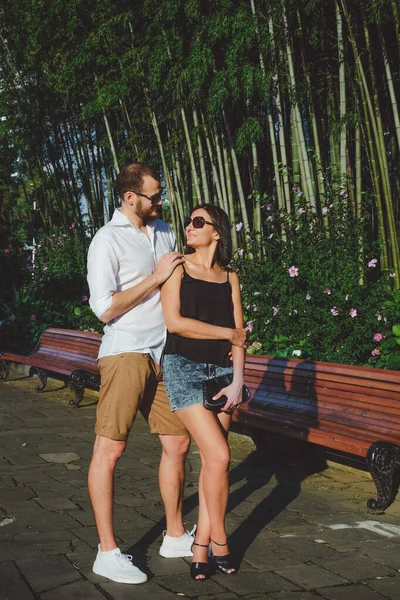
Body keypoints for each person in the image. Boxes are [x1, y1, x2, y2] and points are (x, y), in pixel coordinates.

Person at [86, 162, 194, 585]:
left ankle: (173, 535)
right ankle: (107, 552)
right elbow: (105, 308)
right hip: (126, 351)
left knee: (178, 443)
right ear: (131, 197)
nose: (160, 200)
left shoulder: (165, 230)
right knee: (109, 451)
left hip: (165, 353)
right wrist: (156, 277)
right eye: (154, 194)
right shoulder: (106, 240)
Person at [161, 204, 247, 581]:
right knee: (220, 454)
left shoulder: (230, 277)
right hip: (183, 368)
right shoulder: (177, 268)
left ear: (217, 232)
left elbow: (241, 333)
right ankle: (221, 540)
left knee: (215, 464)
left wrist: (239, 380)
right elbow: (175, 323)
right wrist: (226, 334)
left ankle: (201, 545)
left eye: (199, 222)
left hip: (224, 375)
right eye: (189, 222)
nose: (189, 227)